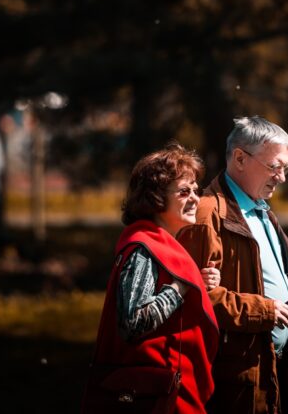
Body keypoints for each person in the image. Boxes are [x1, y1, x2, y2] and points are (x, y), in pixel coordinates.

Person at [177, 116, 288, 413]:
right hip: (236, 379)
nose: (282, 177)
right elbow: (196, 298)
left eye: (286, 168)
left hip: (272, 368)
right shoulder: (207, 214)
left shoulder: (258, 206)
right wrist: (266, 310)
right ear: (240, 158)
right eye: (275, 166)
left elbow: (261, 269)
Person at [84, 143, 220, 414]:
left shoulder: (160, 244)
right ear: (155, 198)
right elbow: (132, 323)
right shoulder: (143, 247)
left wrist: (197, 286)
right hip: (153, 398)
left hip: (168, 393)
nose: (195, 198)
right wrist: (181, 287)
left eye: (196, 189)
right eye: (184, 191)